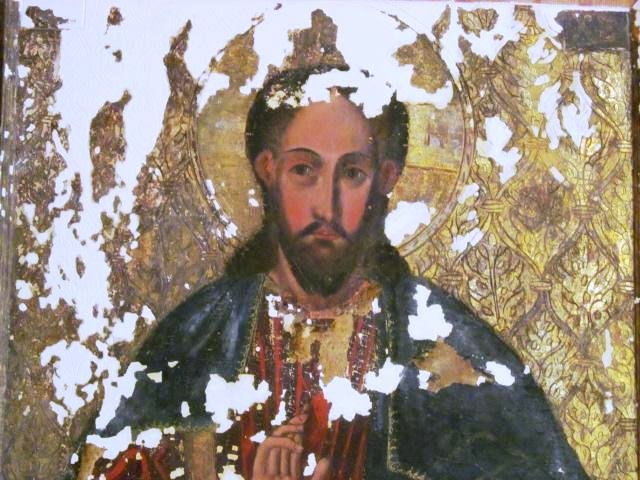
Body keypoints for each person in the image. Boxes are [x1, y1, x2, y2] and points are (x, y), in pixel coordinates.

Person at [76, 66, 589, 480]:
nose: (328, 205)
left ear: (385, 179)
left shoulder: (447, 343)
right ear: (268, 170)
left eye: (352, 173)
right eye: (304, 169)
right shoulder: (197, 338)